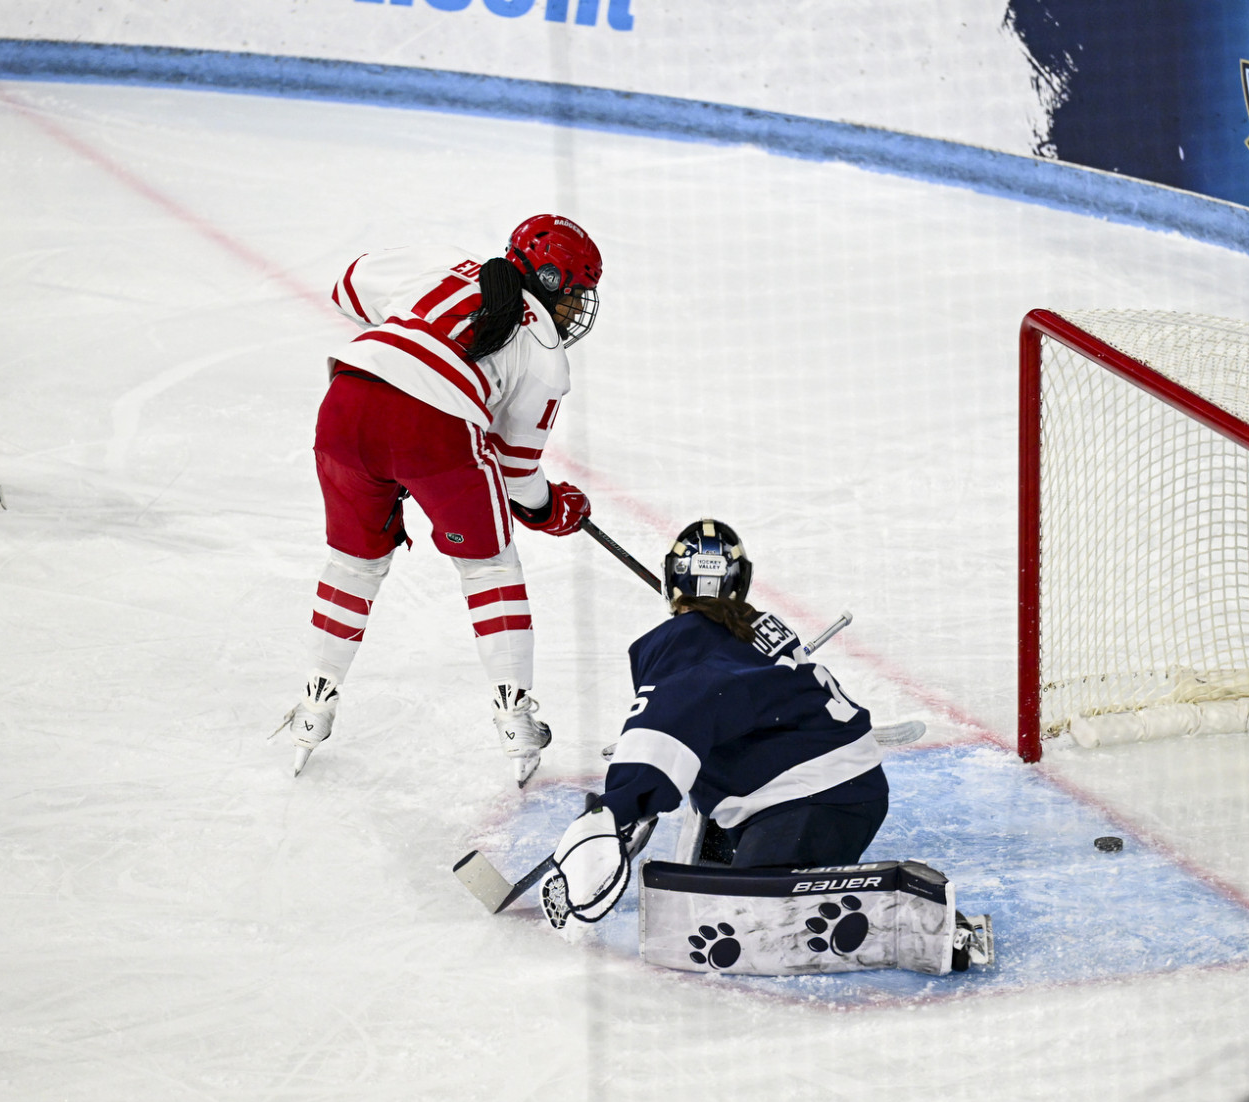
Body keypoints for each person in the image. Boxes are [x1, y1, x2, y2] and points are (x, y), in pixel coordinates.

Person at [275, 216, 602, 786]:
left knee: (354, 564)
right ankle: (514, 721)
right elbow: (517, 473)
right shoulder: (545, 350)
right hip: (434, 431)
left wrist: (414, 332)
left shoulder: (443, 264)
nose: (577, 310)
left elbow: (348, 286)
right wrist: (553, 509)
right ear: (549, 280)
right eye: (574, 293)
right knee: (489, 566)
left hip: (346, 402)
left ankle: (314, 706)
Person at [542, 520, 891, 912]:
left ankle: (908, 916)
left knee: (754, 917)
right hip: (853, 789)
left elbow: (666, 726)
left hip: (807, 804)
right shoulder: (760, 626)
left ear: (672, 581)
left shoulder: (680, 642)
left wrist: (618, 808)